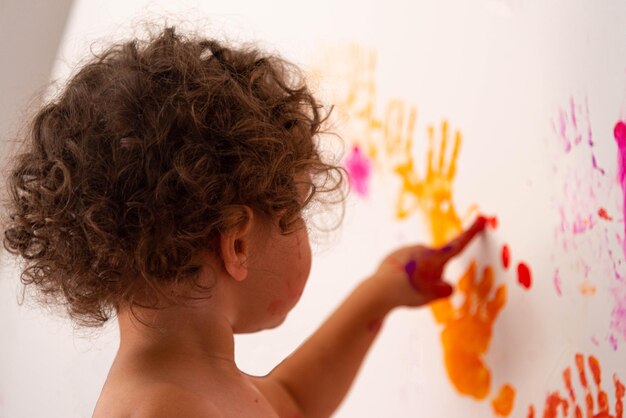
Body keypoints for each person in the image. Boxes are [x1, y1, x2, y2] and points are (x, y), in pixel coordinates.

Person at [2, 27, 487, 417]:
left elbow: (292, 401)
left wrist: (381, 292)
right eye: (293, 214)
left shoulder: (192, 382)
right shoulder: (163, 409)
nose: (303, 230)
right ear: (237, 245)